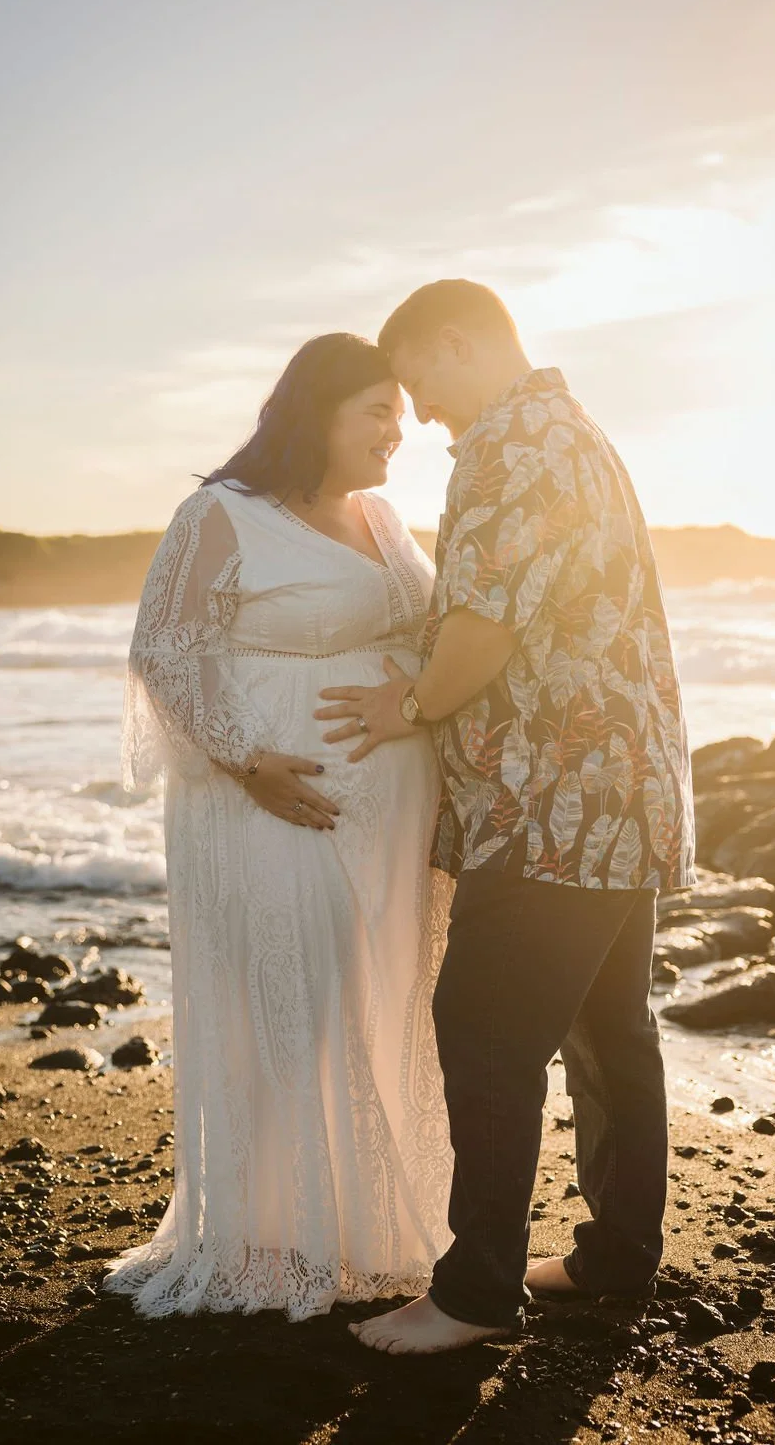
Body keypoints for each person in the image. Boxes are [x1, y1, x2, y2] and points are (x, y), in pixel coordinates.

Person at [314, 280, 696, 1354]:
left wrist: (409, 703)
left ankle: (475, 1294)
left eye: (422, 381)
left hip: (552, 798)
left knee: (482, 1030)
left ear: (459, 342)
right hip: (629, 790)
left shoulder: (506, 446)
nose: (422, 413)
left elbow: (481, 622)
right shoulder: (574, 431)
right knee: (611, 1028)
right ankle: (617, 1255)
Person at [104, 333, 454, 1321]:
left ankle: (359, 1225)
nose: (398, 429)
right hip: (267, 803)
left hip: (387, 817)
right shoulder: (223, 512)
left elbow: (426, 629)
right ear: (317, 414)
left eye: (399, 409)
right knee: (286, 1002)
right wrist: (248, 759)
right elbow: (164, 646)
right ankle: (274, 1228)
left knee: (372, 999)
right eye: (375, 411)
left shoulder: (383, 518)